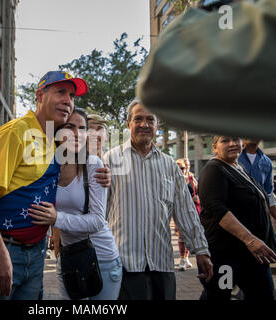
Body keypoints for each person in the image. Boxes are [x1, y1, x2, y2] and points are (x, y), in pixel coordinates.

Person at [0, 71, 111, 300]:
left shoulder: (54, 140)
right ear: (40, 95)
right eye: (60, 92)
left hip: (34, 254)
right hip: (0, 248)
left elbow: (82, 156)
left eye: (72, 96)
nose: (68, 100)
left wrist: (102, 171)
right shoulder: (15, 131)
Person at [103, 99, 213, 300]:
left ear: (157, 126)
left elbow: (185, 212)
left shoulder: (169, 165)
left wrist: (201, 250)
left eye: (150, 120)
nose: (144, 124)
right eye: (138, 119)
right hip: (124, 265)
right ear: (128, 124)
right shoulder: (111, 160)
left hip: (161, 264)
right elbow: (100, 212)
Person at [30, 108, 122, 300]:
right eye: (69, 127)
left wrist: (57, 218)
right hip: (68, 258)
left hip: (101, 257)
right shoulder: (46, 165)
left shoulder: (93, 164)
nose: (76, 134)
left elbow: (97, 221)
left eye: (81, 128)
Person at [198, 136, 276, 300]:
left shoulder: (238, 168)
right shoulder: (214, 169)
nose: (232, 144)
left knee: (265, 294)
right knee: (219, 295)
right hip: (226, 256)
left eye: (235, 139)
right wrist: (250, 240)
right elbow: (217, 209)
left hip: (252, 257)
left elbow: (265, 199)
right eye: (225, 141)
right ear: (214, 147)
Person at [238, 139, 276, 220]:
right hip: (237, 217)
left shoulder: (267, 162)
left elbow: (268, 194)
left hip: (259, 217)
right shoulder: (233, 158)